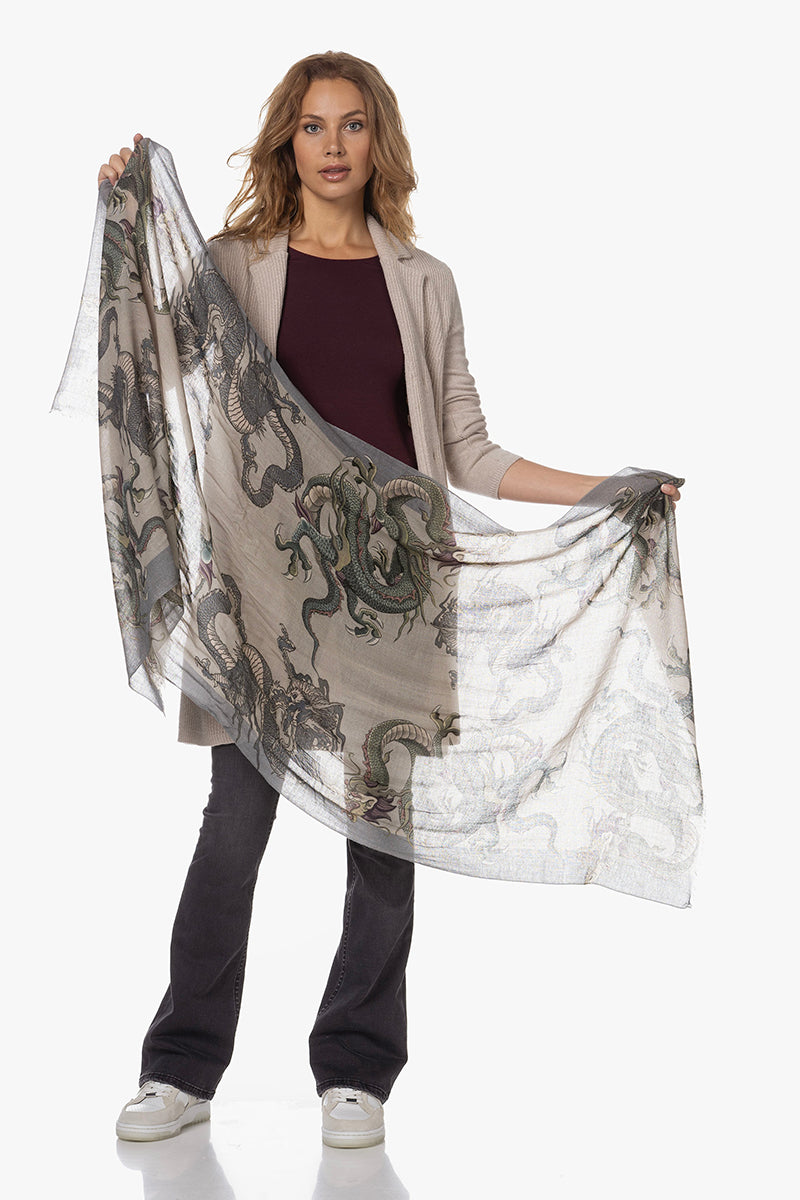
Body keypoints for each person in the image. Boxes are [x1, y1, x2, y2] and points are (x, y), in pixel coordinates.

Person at [98, 51, 682, 1149]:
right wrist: (130, 218)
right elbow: (154, 360)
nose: (332, 145)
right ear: (287, 141)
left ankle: (356, 1072)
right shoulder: (233, 264)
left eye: (353, 124)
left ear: (379, 142)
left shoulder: (424, 281)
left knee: (383, 841)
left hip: (395, 592)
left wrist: (604, 489)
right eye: (313, 125)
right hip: (258, 596)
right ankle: (178, 1068)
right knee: (233, 830)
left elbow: (465, 447)